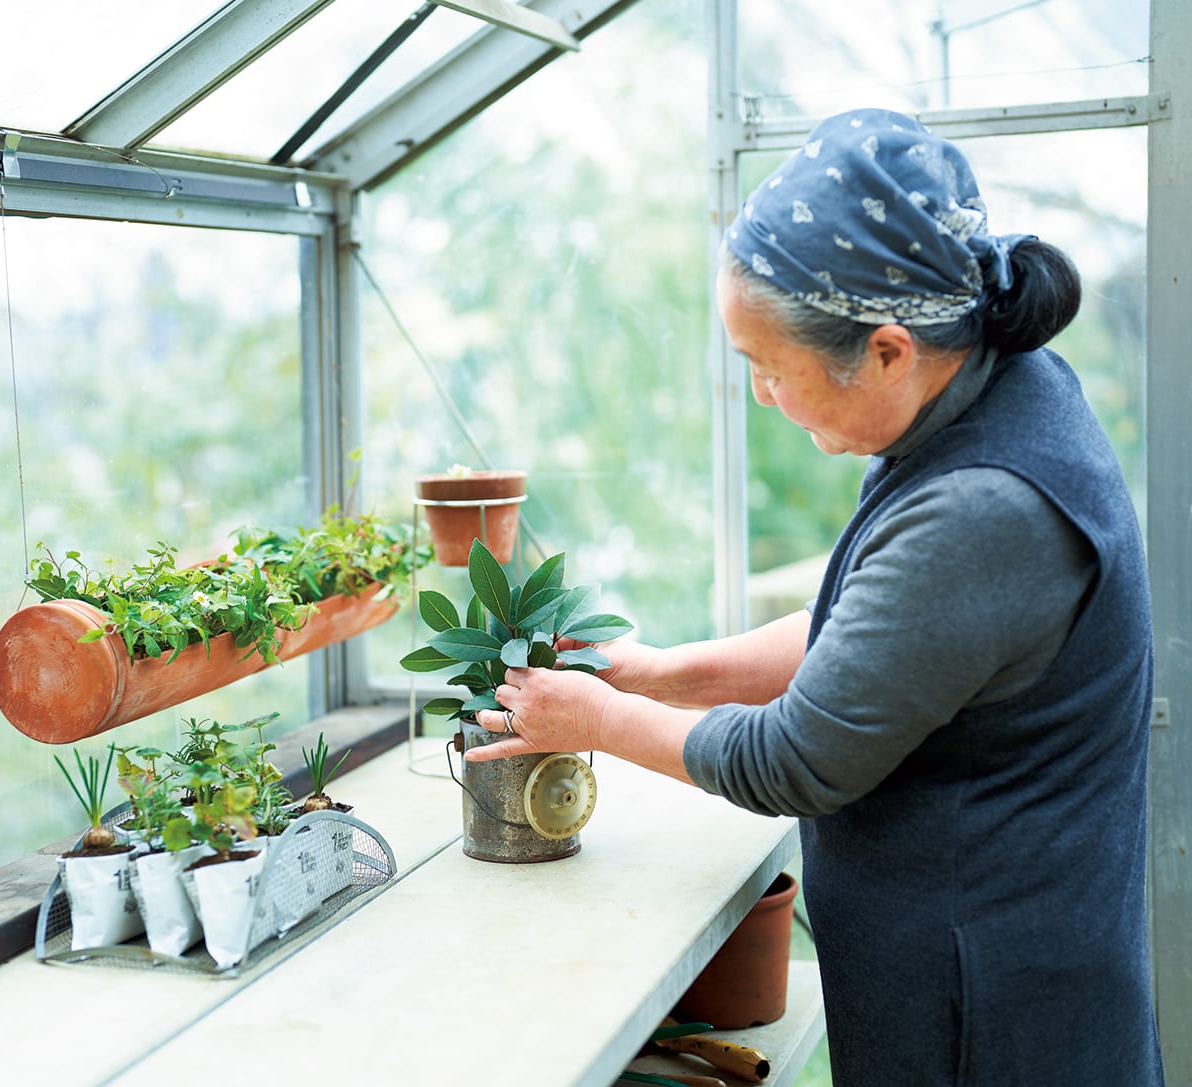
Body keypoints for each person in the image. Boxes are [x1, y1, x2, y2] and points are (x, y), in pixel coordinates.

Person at [467, 107, 1164, 1086]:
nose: (760, 395)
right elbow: (881, 632)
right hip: (1006, 961)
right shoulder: (998, 384)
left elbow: (798, 759)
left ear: (886, 350)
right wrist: (665, 674)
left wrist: (601, 717)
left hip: (991, 1014)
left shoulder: (981, 510)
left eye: (769, 369)